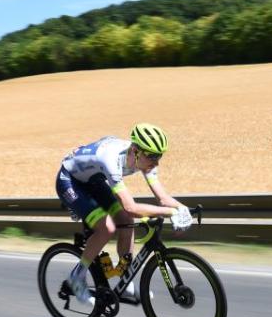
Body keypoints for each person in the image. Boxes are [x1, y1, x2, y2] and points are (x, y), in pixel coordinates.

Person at [56, 122, 193, 305]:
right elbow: (131, 206)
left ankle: (125, 278)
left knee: (126, 220)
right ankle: (76, 277)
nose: (156, 161)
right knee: (107, 228)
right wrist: (170, 213)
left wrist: (182, 209)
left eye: (159, 156)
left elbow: (163, 198)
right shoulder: (111, 160)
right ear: (135, 150)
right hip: (70, 181)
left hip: (94, 180)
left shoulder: (144, 160)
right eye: (152, 156)